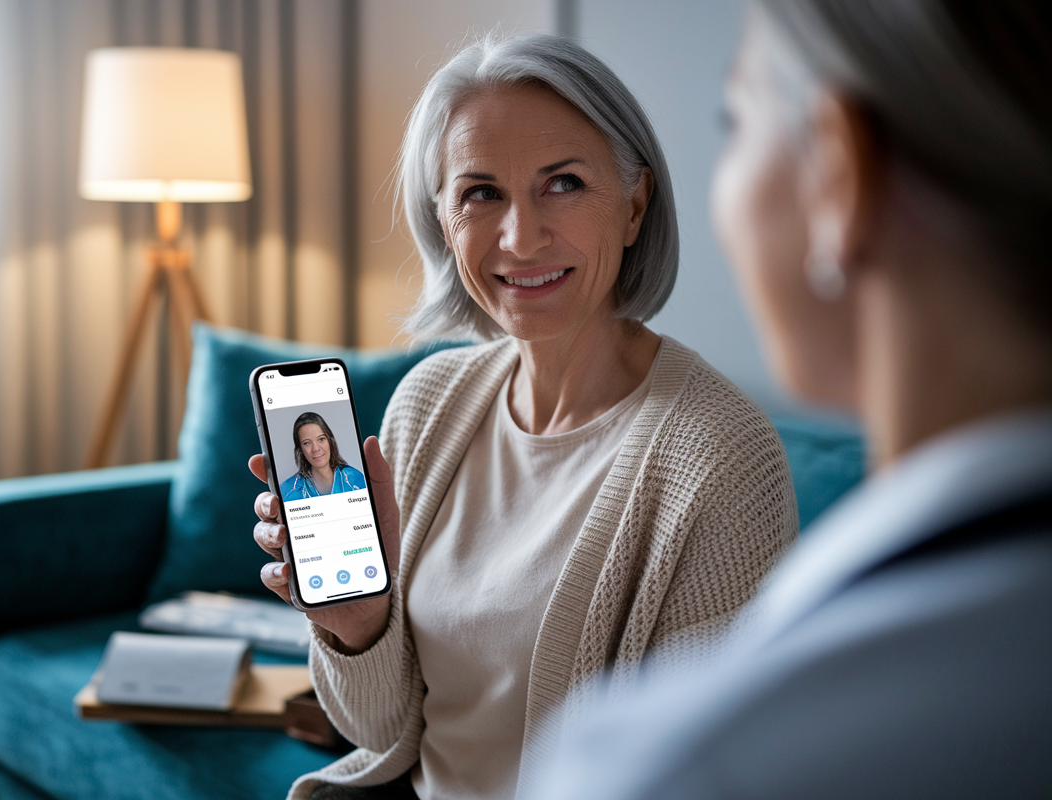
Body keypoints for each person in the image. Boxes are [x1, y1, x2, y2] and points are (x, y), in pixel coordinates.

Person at [250, 34, 799, 800]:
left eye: (564, 183)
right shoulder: (428, 403)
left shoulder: (721, 457)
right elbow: (376, 731)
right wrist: (357, 625)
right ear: (444, 221)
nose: (520, 236)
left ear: (635, 204)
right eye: (481, 193)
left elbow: (700, 773)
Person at [526, 2, 1052, 798]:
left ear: (840, 172)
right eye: (476, 193)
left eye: (734, 120)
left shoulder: (673, 764)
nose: (520, 237)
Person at [280, 412, 367, 501]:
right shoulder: (289, 491)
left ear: (330, 441)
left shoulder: (354, 479)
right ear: (300, 449)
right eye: (306, 443)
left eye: (321, 439)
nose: (315, 449)